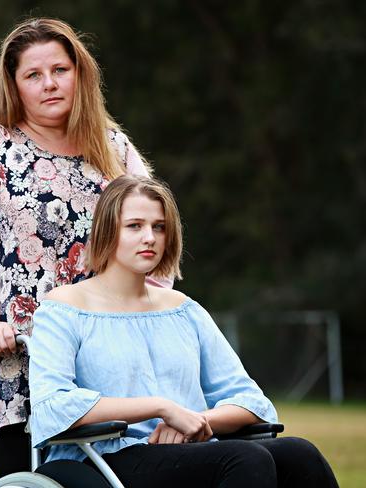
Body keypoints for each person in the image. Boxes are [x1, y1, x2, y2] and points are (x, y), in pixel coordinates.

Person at [0, 18, 170, 479]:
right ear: (14, 85)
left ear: (81, 74)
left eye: (60, 69)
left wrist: (153, 321)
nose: (50, 83)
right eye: (33, 75)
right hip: (10, 361)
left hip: (101, 363)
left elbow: (152, 239)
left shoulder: (113, 148)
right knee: (33, 483)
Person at [29, 175, 339, 487]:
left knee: (300, 454)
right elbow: (52, 406)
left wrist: (198, 421)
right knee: (246, 459)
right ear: (107, 230)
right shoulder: (64, 308)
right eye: (135, 226)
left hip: (188, 451)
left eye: (159, 227)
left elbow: (251, 401)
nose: (149, 237)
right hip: (102, 457)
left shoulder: (183, 310)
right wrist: (163, 407)